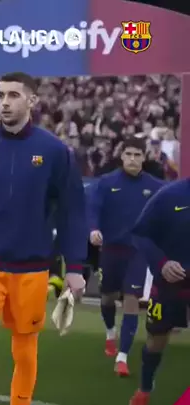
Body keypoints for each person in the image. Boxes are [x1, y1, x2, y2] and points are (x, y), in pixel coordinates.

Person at [0, 72, 88, 405]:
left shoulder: (55, 151)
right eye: (0, 95)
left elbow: (71, 212)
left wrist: (74, 267)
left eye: (13, 95)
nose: (4, 102)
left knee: (25, 352)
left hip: (32, 268)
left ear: (32, 100)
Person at [86, 138, 164, 377]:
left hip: (138, 252)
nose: (132, 159)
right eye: (128, 154)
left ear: (144, 157)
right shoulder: (106, 182)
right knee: (108, 297)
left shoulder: (155, 187)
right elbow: (93, 209)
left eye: (137, 155)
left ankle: (122, 357)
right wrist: (93, 229)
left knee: (132, 299)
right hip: (111, 250)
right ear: (122, 156)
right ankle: (110, 333)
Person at [128, 179, 190, 405]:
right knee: (156, 339)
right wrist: (162, 263)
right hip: (169, 284)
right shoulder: (169, 196)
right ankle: (145, 388)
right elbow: (140, 234)